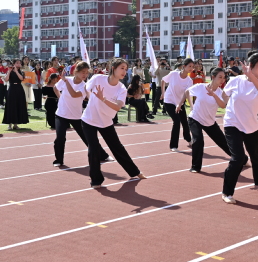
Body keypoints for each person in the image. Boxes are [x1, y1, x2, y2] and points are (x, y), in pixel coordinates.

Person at [220, 54, 258, 204]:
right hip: (232, 123)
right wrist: (228, 107)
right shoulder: (236, 80)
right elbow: (225, 95)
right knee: (238, 158)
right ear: (251, 66)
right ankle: (227, 192)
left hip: (251, 125)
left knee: (256, 156)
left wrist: (251, 76)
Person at [81, 58, 146, 188]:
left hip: (106, 121)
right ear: (113, 68)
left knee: (117, 148)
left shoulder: (121, 88)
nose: (124, 72)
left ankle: (135, 171)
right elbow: (86, 88)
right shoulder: (98, 78)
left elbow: (117, 107)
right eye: (122, 68)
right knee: (93, 149)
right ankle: (96, 180)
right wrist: (91, 99)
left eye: (126, 69)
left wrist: (103, 99)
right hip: (89, 119)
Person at [52, 61, 111, 167]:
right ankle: (59, 160)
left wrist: (66, 81)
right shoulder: (66, 80)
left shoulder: (85, 86)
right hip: (61, 114)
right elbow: (55, 88)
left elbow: (74, 94)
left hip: (77, 116)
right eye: (83, 72)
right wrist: (60, 97)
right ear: (76, 72)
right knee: (60, 138)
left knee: (87, 138)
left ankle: (103, 155)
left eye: (87, 72)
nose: (85, 74)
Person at [185, 67, 232, 173]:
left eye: (224, 78)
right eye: (220, 77)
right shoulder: (200, 87)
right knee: (198, 140)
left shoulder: (221, 92)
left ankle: (242, 159)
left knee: (223, 142)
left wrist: (214, 95)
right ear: (213, 77)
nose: (222, 80)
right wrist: (191, 105)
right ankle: (195, 166)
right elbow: (187, 91)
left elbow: (223, 105)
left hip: (209, 121)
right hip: (195, 118)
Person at [161, 58, 195, 151]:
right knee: (176, 121)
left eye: (193, 67)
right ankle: (173, 146)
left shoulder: (189, 81)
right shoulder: (173, 74)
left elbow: (186, 94)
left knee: (185, 122)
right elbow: (163, 80)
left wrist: (180, 105)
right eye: (190, 66)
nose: (191, 68)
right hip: (169, 101)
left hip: (179, 102)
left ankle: (188, 139)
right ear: (184, 66)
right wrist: (163, 93)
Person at [3, 60, 29, 130]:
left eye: (19, 63)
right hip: (12, 88)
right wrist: (9, 71)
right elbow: (6, 79)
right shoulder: (10, 71)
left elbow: (21, 78)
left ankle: (16, 124)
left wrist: (16, 71)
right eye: (17, 63)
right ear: (13, 64)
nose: (18, 64)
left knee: (18, 105)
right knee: (11, 106)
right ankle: (9, 125)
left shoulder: (21, 72)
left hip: (19, 89)